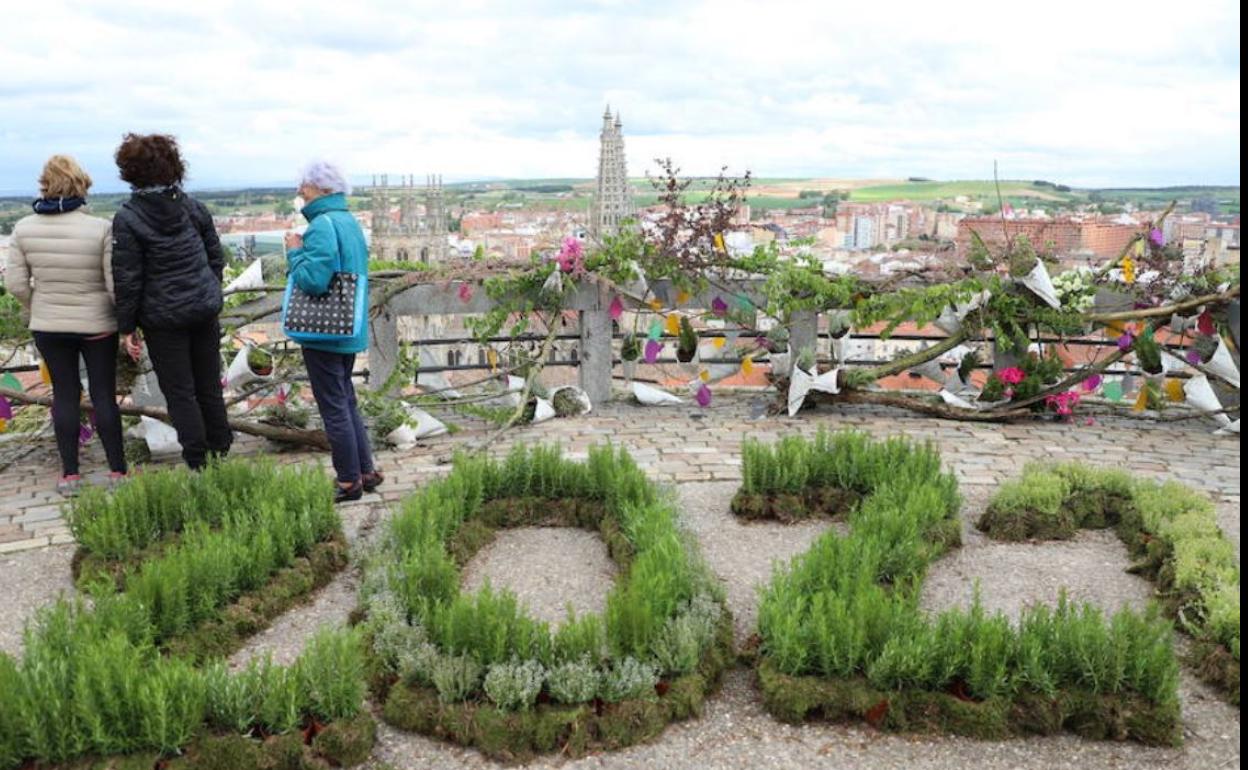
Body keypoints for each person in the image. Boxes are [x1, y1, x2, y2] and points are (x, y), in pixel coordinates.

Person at [6, 155, 128, 494]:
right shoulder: (101, 228)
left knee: (64, 395)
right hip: (97, 324)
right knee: (103, 394)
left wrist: (39, 305)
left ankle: (71, 475)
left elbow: (15, 285)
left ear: (44, 184)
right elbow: (113, 285)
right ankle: (118, 472)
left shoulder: (23, 229)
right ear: (82, 185)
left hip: (49, 325)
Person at [111, 133, 232, 470]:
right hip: (203, 311)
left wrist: (126, 328)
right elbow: (215, 259)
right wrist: (209, 292)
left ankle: (198, 461)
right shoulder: (194, 208)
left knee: (180, 392)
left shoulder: (127, 218)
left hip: (163, 319)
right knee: (209, 386)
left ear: (130, 171)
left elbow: (128, 279)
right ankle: (221, 449)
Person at [284, 161, 381, 503]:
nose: (300, 192)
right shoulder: (348, 221)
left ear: (324, 191)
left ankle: (348, 481)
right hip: (346, 326)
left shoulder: (322, 226)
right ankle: (365, 471)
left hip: (324, 331)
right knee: (346, 400)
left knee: (334, 407)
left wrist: (294, 252)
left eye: (306, 186)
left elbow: (313, 280)